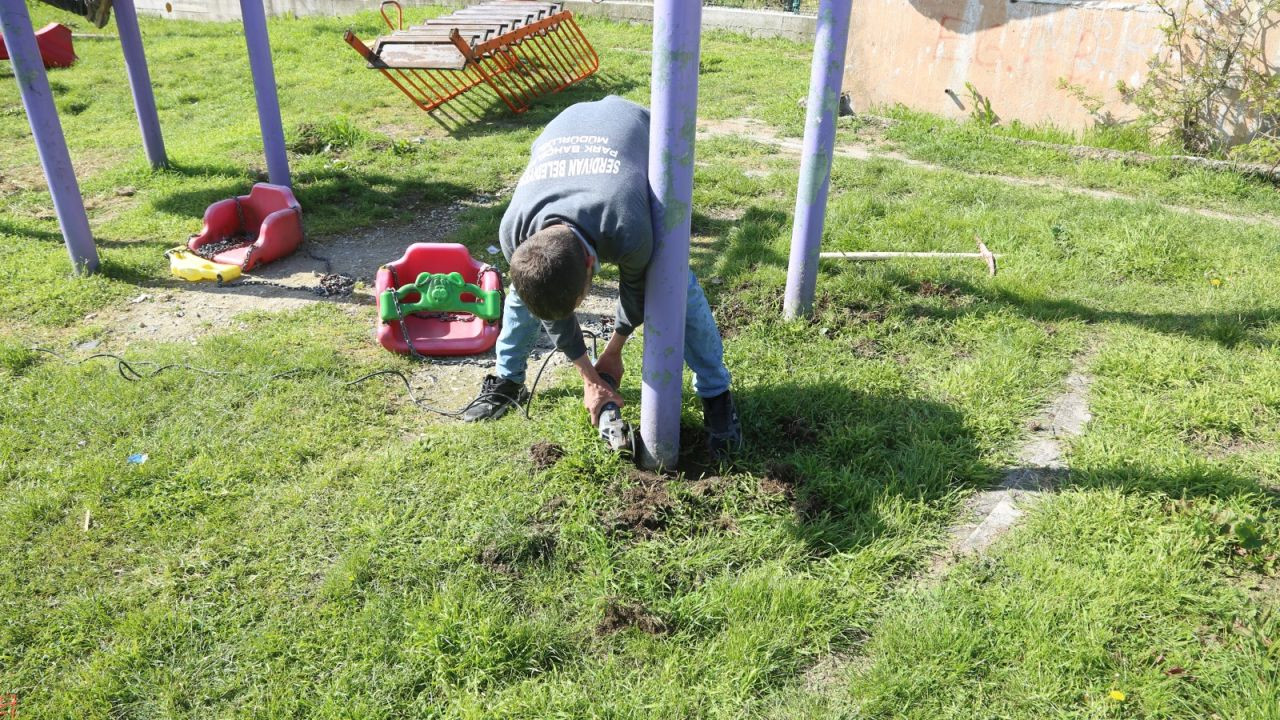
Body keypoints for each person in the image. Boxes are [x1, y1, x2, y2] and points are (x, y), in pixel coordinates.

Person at [462, 95, 742, 457]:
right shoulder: (514, 233)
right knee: (525, 289)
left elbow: (636, 290)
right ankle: (508, 378)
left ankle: (716, 394)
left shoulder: (626, 225)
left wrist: (614, 350)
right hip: (568, 122)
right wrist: (589, 376)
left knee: (674, 282)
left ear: (590, 272)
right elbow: (549, 308)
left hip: (640, 131)